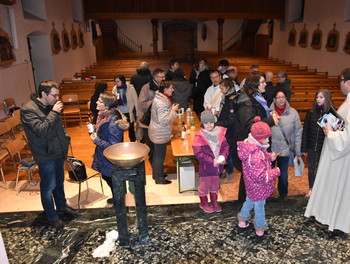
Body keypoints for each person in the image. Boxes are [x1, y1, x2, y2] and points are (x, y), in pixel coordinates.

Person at [20, 80, 78, 229]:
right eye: (54, 95)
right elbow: (41, 130)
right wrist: (54, 112)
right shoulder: (28, 110)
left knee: (59, 183)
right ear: (44, 94)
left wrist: (65, 138)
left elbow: (58, 126)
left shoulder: (51, 105)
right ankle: (52, 216)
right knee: (48, 187)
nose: (57, 98)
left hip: (58, 151)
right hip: (45, 154)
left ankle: (62, 207)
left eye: (58, 95)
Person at [304, 69, 350, 234]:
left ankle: (329, 218)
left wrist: (329, 132)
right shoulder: (347, 102)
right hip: (334, 152)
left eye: (342, 80)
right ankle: (325, 215)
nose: (340, 83)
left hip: (340, 158)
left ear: (348, 83)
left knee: (334, 186)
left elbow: (347, 138)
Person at [232, 72, 279, 202]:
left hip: (255, 144)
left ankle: (252, 203)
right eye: (262, 82)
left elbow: (258, 117)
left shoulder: (256, 99)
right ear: (254, 85)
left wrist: (270, 115)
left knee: (250, 176)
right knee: (248, 177)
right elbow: (249, 125)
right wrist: (270, 120)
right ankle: (244, 205)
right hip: (247, 146)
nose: (265, 84)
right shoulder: (246, 102)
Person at [237, 116, 280, 241]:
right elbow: (260, 175)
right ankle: (260, 228)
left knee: (249, 201)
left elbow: (260, 155)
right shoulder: (255, 154)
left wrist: (268, 157)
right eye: (266, 138)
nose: (268, 140)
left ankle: (242, 220)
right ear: (259, 138)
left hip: (251, 186)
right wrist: (275, 172)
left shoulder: (251, 147)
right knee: (259, 207)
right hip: (258, 187)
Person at [91, 93, 129, 203]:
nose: (96, 102)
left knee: (111, 178)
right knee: (108, 177)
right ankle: (117, 196)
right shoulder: (105, 115)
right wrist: (96, 128)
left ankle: (119, 200)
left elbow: (114, 146)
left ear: (107, 106)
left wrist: (96, 140)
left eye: (100, 101)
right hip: (104, 155)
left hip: (109, 156)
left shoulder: (112, 123)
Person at [192, 110, 229, 213]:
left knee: (215, 185)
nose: (209, 125)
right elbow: (199, 154)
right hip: (206, 168)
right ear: (202, 124)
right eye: (206, 123)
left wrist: (223, 156)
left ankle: (214, 201)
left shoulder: (220, 134)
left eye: (211, 122)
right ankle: (203, 203)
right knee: (204, 186)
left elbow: (225, 147)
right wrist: (213, 161)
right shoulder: (199, 137)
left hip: (217, 168)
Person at [270, 89, 302, 199]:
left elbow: (298, 132)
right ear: (274, 99)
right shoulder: (267, 111)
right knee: (269, 172)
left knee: (283, 172)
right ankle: (268, 193)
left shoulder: (293, 112)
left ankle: (283, 194)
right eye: (278, 97)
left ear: (286, 98)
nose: (281, 99)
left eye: (283, 97)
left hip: (285, 148)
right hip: (271, 148)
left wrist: (298, 150)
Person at [301, 89, 333, 197]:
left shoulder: (331, 114)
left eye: (321, 97)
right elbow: (305, 131)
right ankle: (311, 188)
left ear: (327, 99)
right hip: (311, 146)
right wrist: (303, 148)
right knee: (311, 168)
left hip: (324, 147)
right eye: (317, 97)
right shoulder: (311, 113)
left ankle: (321, 189)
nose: (318, 99)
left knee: (321, 168)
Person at [149, 81, 179, 184]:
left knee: (157, 155)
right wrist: (173, 110)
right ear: (165, 90)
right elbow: (164, 121)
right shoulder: (162, 103)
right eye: (171, 88)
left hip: (157, 131)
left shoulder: (160, 98)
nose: (173, 90)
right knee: (159, 156)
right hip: (159, 132)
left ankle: (156, 174)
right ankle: (160, 179)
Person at [138, 68, 166, 163]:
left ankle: (157, 170)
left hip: (159, 121)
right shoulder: (146, 87)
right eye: (161, 77)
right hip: (147, 122)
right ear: (154, 76)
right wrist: (155, 99)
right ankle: (155, 170)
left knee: (158, 148)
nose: (163, 78)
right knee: (152, 147)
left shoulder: (162, 85)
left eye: (163, 76)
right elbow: (142, 105)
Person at [216, 79, 237, 178]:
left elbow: (231, 120)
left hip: (229, 130)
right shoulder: (227, 97)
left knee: (227, 151)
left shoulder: (232, 100)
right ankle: (227, 170)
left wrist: (216, 123)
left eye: (222, 88)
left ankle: (230, 172)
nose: (221, 90)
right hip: (224, 128)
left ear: (228, 88)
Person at [112, 75, 139, 142]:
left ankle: (132, 142)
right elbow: (112, 100)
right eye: (115, 82)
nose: (116, 83)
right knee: (120, 128)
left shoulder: (130, 88)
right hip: (120, 111)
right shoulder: (115, 88)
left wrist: (138, 113)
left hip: (129, 111)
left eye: (118, 81)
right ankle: (121, 143)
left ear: (122, 81)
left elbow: (135, 100)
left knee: (131, 128)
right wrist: (114, 98)